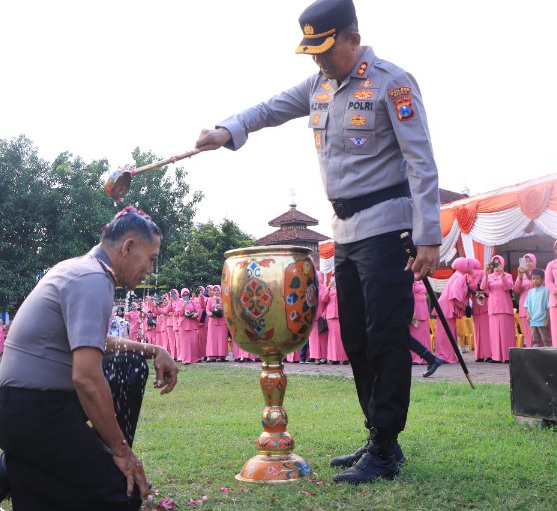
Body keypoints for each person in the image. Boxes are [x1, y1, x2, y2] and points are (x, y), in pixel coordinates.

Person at [195, 0, 441, 483]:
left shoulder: (393, 83)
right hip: (344, 233)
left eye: (326, 50)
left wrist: (428, 235)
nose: (318, 61)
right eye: (312, 52)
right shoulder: (318, 86)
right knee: (355, 338)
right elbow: (269, 108)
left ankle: (387, 448)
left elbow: (422, 162)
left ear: (352, 37)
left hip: (388, 227)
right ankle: (377, 435)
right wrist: (228, 129)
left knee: (386, 336)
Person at [0, 206, 179, 511]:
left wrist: (153, 350)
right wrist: (122, 452)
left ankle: (8, 471)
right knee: (124, 495)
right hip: (30, 413)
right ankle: (4, 472)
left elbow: (93, 342)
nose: (150, 269)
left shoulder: (82, 269)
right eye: (151, 259)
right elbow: (87, 379)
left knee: (128, 364)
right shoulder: (92, 278)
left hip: (38, 408)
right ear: (129, 247)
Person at [432, 258, 469, 364]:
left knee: (447, 331)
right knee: (446, 332)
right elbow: (455, 294)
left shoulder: (457, 275)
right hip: (446, 307)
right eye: (467, 265)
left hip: (445, 306)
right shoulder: (459, 277)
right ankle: (444, 356)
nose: (469, 267)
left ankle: (445, 355)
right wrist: (462, 305)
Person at [482, 255, 515, 363]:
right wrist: (485, 275)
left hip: (505, 307)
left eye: (498, 263)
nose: (496, 266)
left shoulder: (508, 275)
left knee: (506, 333)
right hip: (493, 308)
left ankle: (507, 356)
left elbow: (508, 287)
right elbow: (483, 288)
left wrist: (502, 274)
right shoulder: (489, 277)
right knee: (494, 333)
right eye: (494, 263)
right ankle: (496, 356)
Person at [513, 253, 536, 347]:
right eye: (526, 262)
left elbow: (539, 285)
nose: (528, 263)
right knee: (528, 334)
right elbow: (517, 290)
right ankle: (530, 353)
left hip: (536, 306)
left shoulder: (539, 273)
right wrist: (519, 277)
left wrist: (528, 274)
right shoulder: (522, 276)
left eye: (530, 261)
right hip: (524, 307)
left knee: (537, 334)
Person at [524, 269, 551, 347]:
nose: (535, 281)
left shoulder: (546, 291)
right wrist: (528, 315)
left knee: (546, 340)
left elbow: (548, 307)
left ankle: (549, 356)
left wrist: (547, 320)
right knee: (535, 340)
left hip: (542, 320)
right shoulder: (530, 292)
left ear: (542, 279)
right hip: (532, 320)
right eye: (533, 278)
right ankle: (535, 356)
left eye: (537, 278)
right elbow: (527, 305)